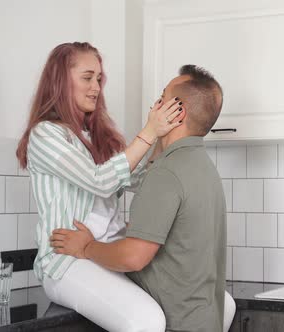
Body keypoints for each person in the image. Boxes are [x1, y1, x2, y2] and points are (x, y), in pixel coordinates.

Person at [50, 65, 236, 332]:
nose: (154, 106)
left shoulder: (168, 172)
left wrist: (86, 247)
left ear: (176, 112)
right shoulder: (204, 168)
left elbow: (132, 258)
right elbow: (180, 241)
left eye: (162, 98)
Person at [16, 42, 184, 331]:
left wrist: (161, 138)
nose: (96, 86)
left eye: (98, 79)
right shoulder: (45, 135)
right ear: (60, 82)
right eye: (87, 77)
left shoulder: (97, 136)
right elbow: (101, 182)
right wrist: (149, 132)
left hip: (107, 252)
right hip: (66, 262)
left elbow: (137, 180)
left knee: (219, 301)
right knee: (147, 320)